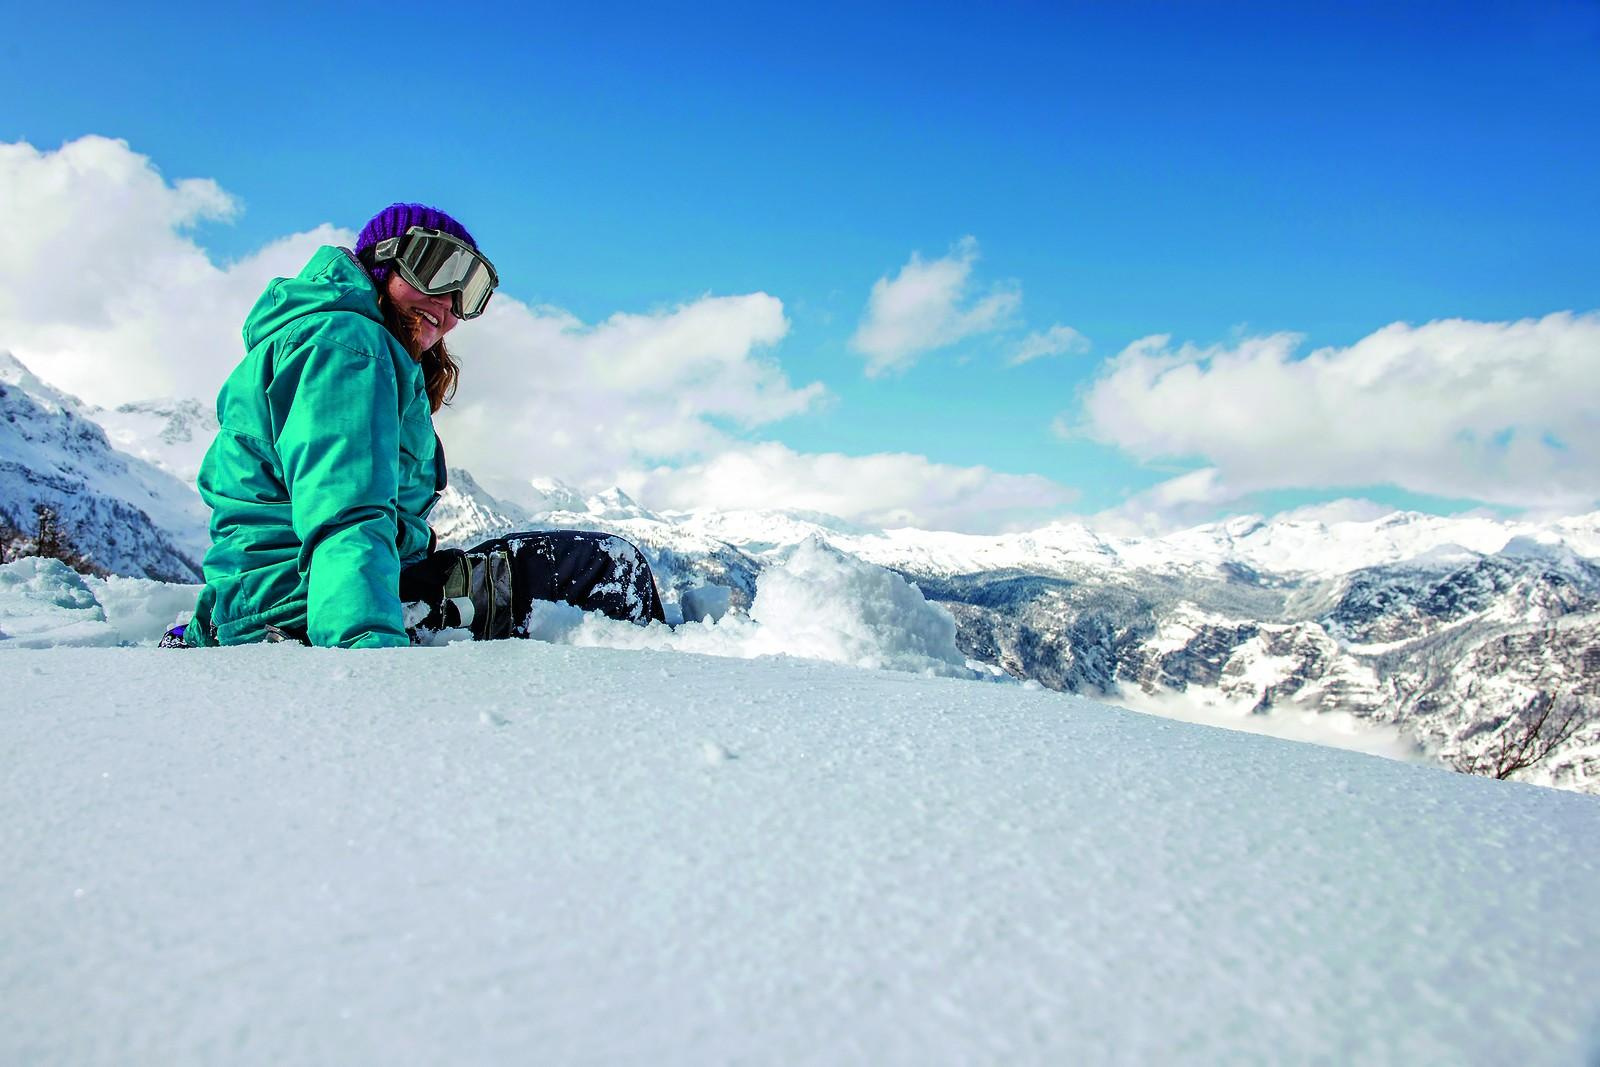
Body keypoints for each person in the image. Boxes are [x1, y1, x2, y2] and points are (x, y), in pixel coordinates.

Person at [183, 203, 664, 648]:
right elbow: (345, 514)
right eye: (436, 270)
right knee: (601, 567)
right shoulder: (348, 344)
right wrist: (365, 652)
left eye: (468, 292)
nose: (449, 305)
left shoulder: (337, 339)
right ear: (383, 261)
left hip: (292, 597)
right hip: (303, 608)